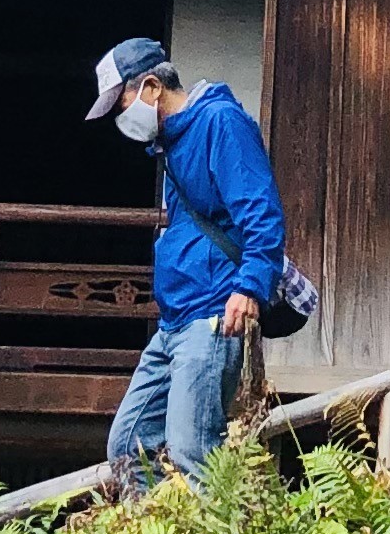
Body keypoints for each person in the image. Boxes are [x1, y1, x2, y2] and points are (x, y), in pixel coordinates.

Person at [89, 33, 288, 483]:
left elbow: (261, 210)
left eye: (121, 105)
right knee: (128, 445)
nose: (122, 118)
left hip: (214, 313)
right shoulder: (172, 144)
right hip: (175, 321)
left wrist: (251, 285)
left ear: (152, 88)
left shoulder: (220, 123)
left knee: (193, 450)